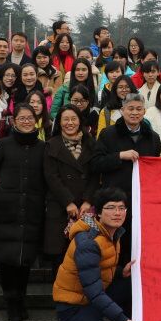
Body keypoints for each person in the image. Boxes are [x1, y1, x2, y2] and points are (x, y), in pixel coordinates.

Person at [53, 187, 152, 321]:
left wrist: (121, 271)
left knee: (132, 285)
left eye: (121, 208)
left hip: (91, 298)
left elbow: (99, 267)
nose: (117, 213)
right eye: (111, 208)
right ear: (98, 213)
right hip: (73, 306)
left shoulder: (111, 233)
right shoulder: (88, 242)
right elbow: (93, 291)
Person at [0, 102, 47, 321]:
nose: (26, 121)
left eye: (30, 118)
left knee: (25, 260)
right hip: (6, 211)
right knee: (7, 261)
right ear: (14, 121)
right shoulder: (3, 145)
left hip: (31, 211)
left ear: (36, 120)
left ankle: (21, 299)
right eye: (22, 118)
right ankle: (11, 304)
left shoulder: (43, 147)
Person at [93, 93, 161, 300]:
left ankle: (139, 299)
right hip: (115, 204)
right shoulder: (108, 134)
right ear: (122, 111)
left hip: (142, 205)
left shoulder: (152, 137)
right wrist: (119, 156)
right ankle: (114, 297)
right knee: (115, 250)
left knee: (138, 249)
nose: (134, 113)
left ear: (144, 111)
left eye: (138, 109)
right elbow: (95, 163)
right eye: (130, 108)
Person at [43, 105, 101, 279]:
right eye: (65, 119)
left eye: (73, 119)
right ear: (59, 122)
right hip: (60, 206)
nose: (70, 123)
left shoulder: (91, 143)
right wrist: (68, 202)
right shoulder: (51, 145)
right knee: (60, 257)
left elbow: (95, 175)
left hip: (85, 208)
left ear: (80, 121)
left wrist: (88, 200)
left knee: (85, 254)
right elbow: (51, 177)